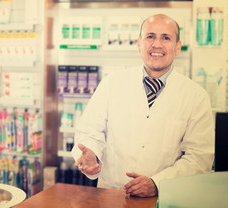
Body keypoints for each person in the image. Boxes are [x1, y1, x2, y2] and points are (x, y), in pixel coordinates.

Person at [72, 14, 214, 197]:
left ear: (178, 47)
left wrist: (157, 183)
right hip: (112, 195)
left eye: (166, 38)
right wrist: (91, 155)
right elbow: (89, 132)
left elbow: (199, 158)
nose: (157, 44)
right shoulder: (111, 83)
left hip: (165, 198)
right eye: (150, 36)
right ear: (139, 44)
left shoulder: (196, 96)